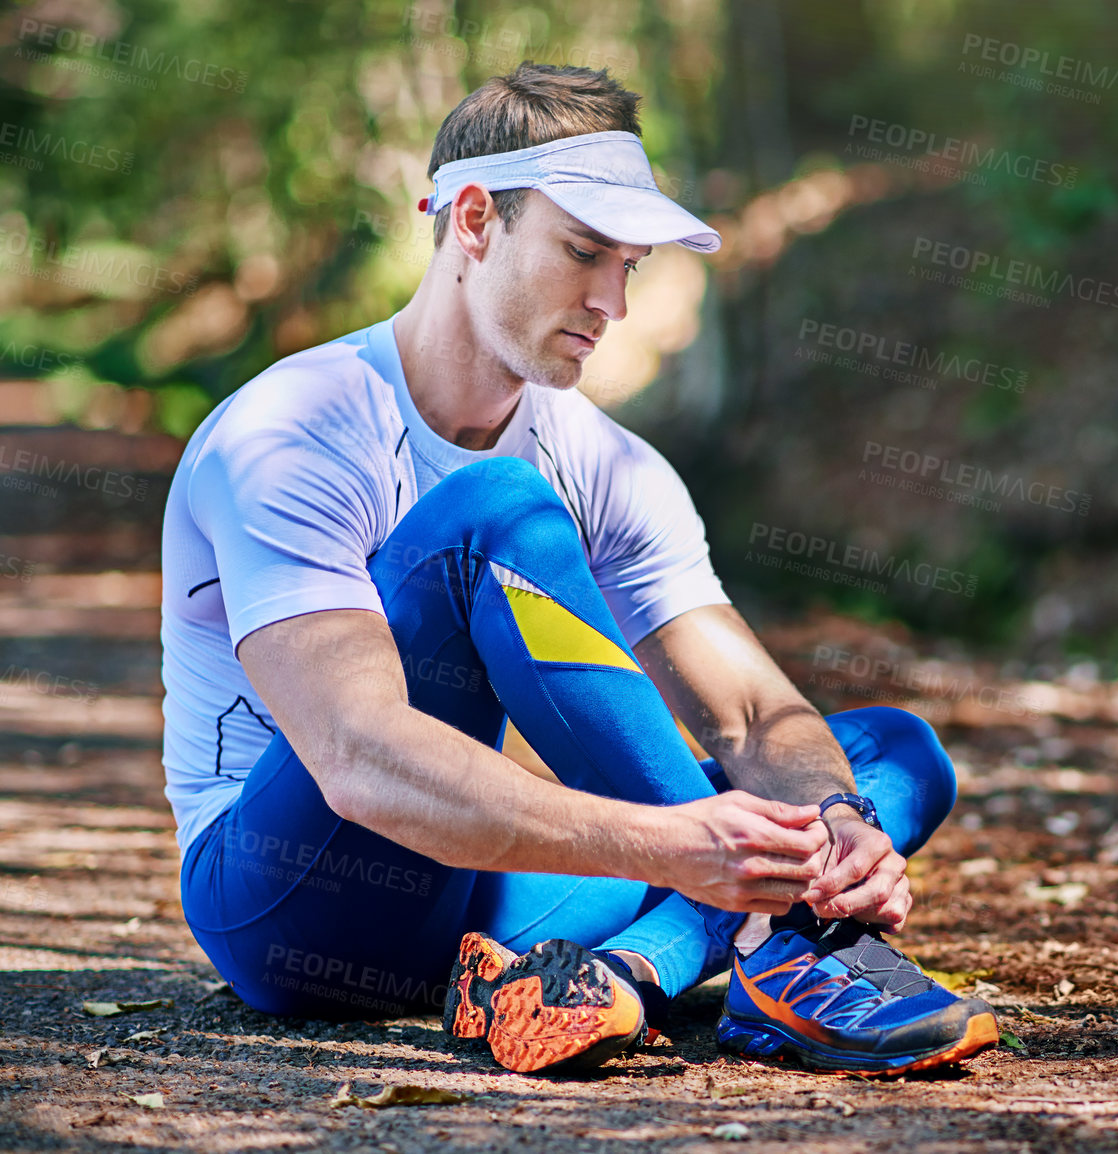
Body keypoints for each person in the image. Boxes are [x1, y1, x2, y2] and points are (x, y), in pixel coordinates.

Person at [160, 61, 996, 1078]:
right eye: (582, 251)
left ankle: (610, 980)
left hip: (479, 904)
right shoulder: (292, 431)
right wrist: (672, 842)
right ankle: (788, 945)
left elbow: (744, 712)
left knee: (885, 755)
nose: (614, 302)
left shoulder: (605, 459)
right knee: (491, 513)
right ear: (473, 221)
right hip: (291, 898)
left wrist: (834, 827)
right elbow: (357, 757)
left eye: (629, 264)